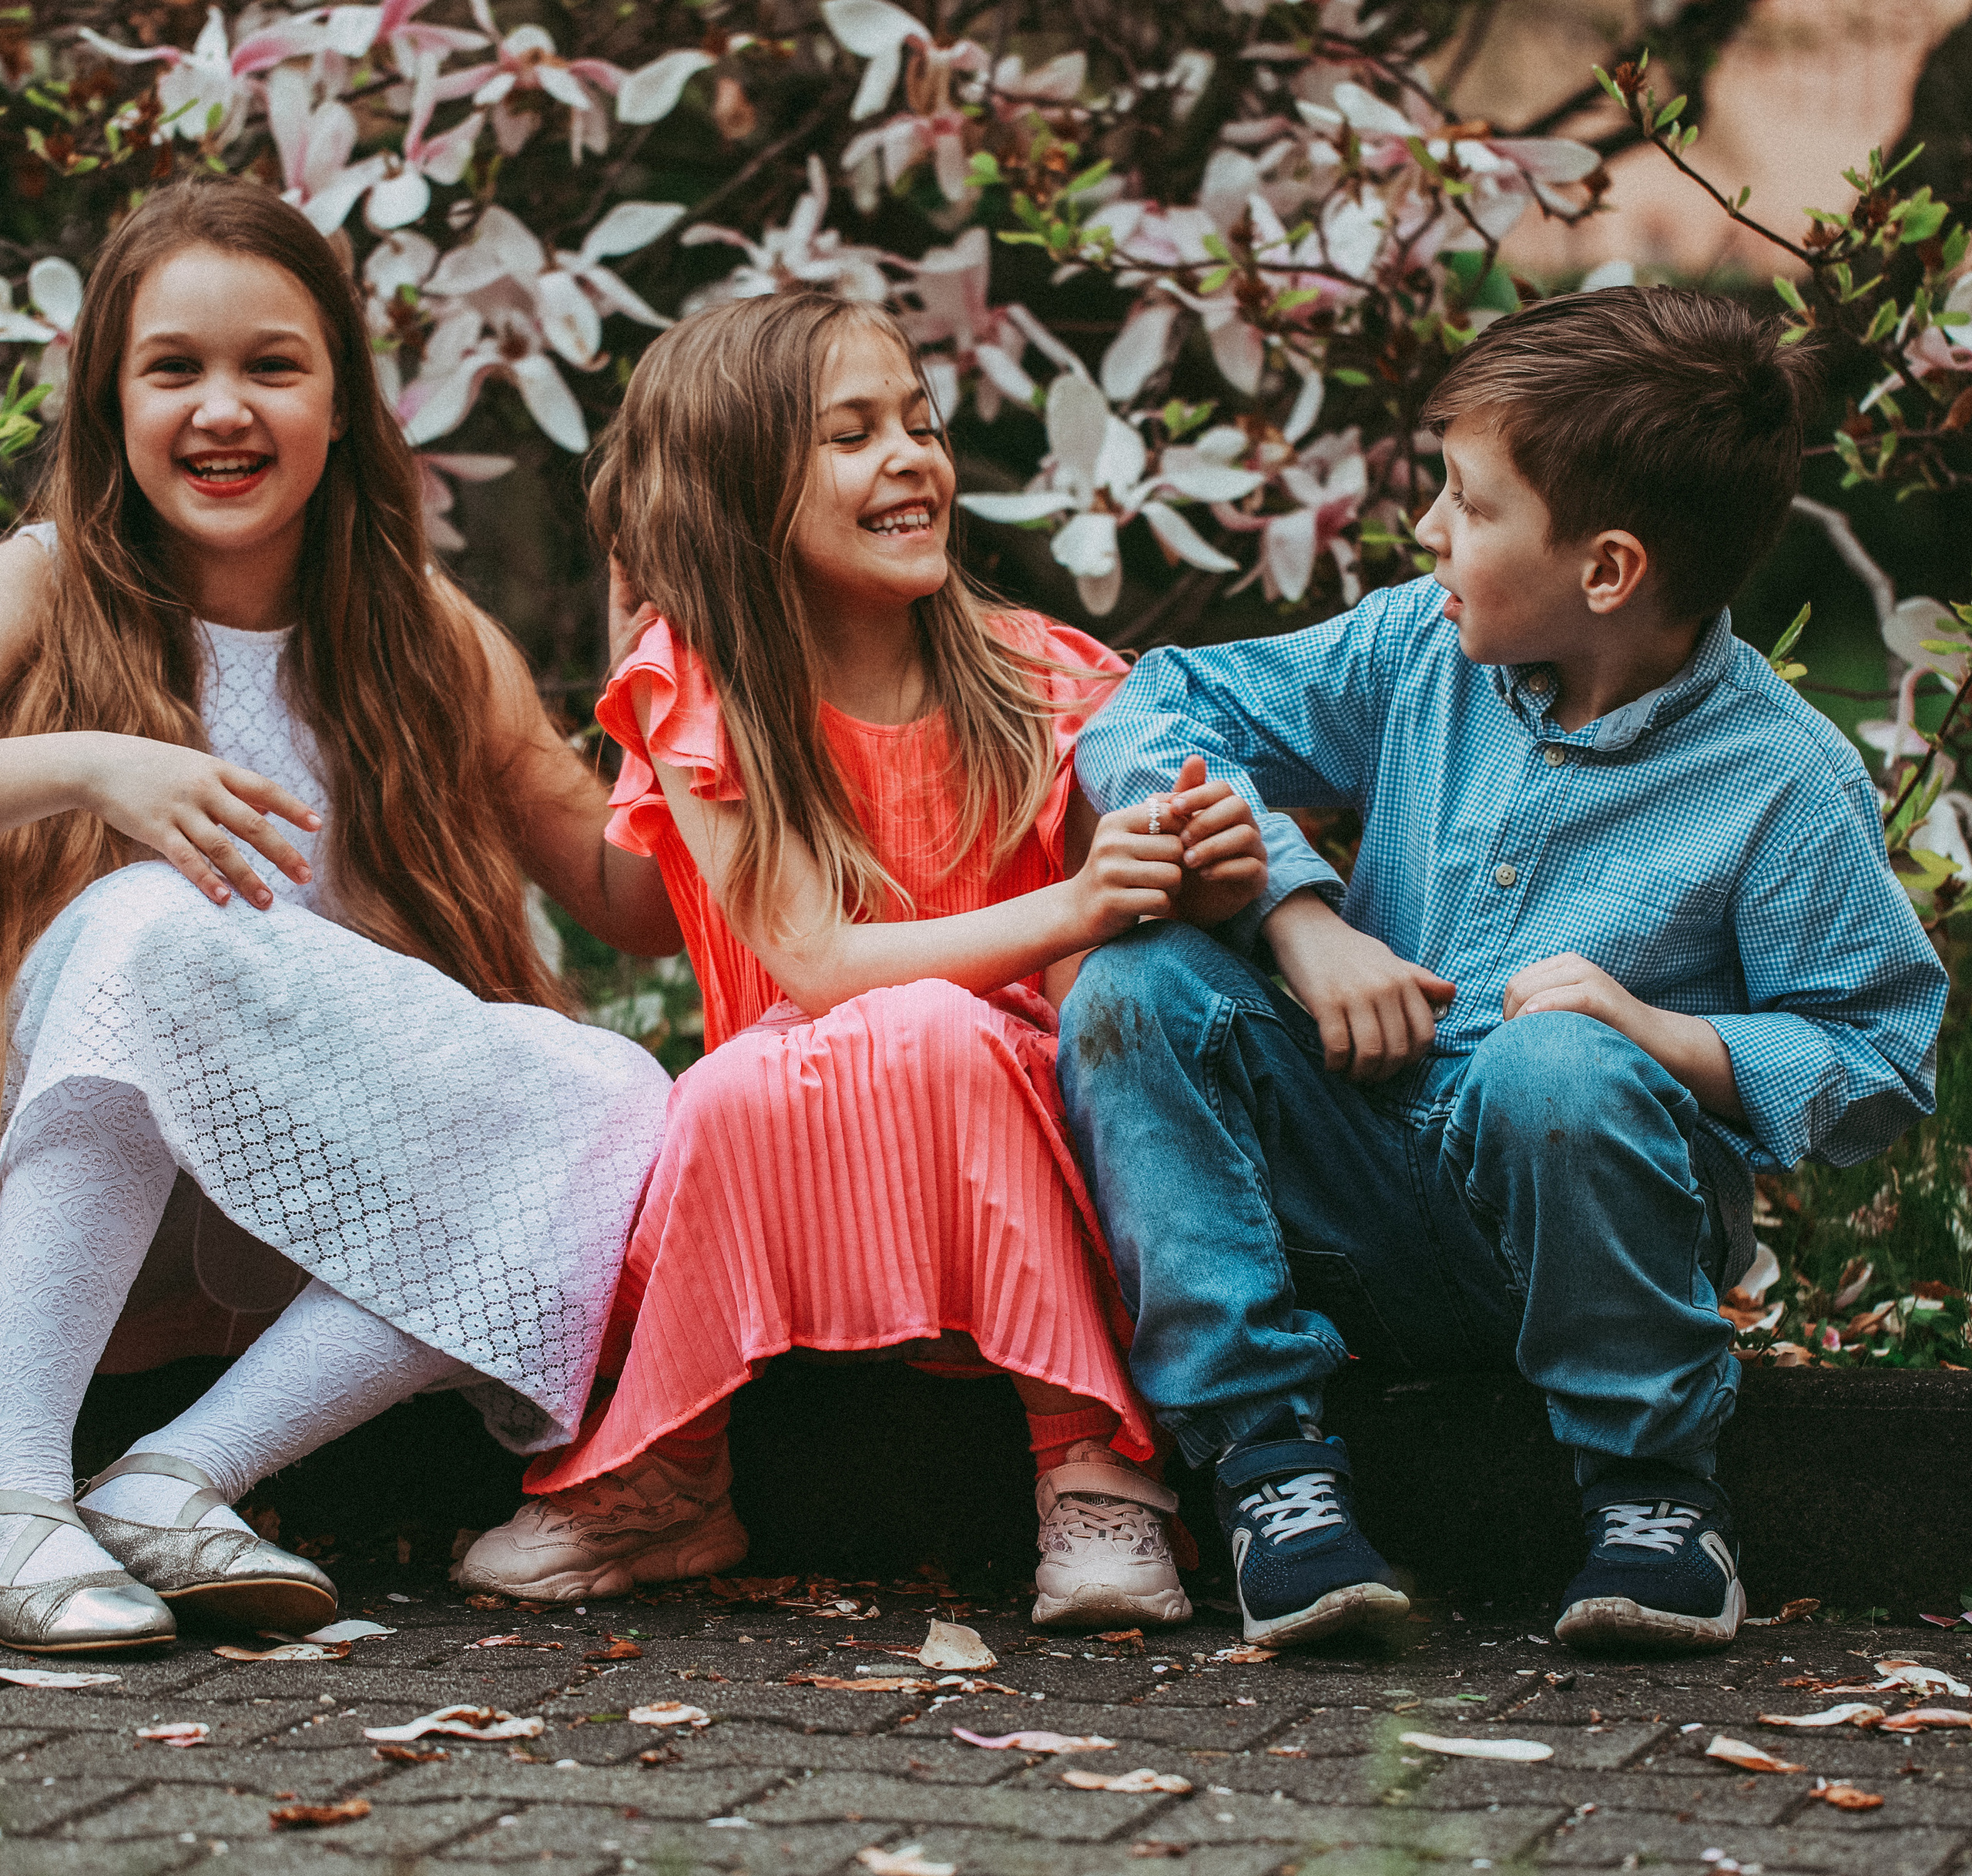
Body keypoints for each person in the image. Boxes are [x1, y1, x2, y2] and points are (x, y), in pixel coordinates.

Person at [1057, 287, 1948, 1654]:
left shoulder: (1781, 781)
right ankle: (1271, 1471)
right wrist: (1301, 917)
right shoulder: (1423, 646)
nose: (1431, 533)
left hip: (1572, 1234)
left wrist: (1658, 1033)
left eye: (1470, 505)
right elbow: (1158, 704)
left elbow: (1883, 1057)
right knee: (1136, 990)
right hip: (1358, 1192)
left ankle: (1655, 1500)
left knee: (1558, 1058)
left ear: (1606, 570)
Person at [458, 291, 1273, 1627]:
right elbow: (816, 959)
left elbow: (1111, 983)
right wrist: (1079, 904)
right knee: (726, 1086)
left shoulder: (1046, 681)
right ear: (734, 496)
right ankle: (673, 1474)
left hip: (1022, 1152)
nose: (912, 457)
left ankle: (1098, 1466)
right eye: (850, 435)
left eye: (921, 422)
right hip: (796, 1157)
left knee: (942, 1034)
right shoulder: (700, 684)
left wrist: (1200, 869)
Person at [0, 176, 682, 1654]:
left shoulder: (426, 635)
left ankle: (178, 1479)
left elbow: (632, 908)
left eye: (273, 366)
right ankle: (14, 1496)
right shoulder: (51, 586)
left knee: (615, 1087)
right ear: (110, 401)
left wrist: (670, 703)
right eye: (174, 368)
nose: (223, 409)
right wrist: (94, 765)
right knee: (150, 921)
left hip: (302, 1191)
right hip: (61, 1152)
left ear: (341, 401)